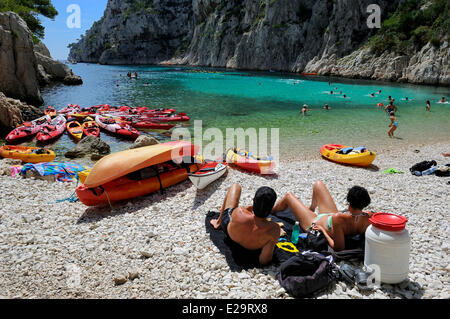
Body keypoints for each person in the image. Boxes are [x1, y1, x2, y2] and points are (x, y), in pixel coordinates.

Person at [270, 181, 373, 251]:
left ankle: (270, 211)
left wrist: (323, 231)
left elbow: (338, 247)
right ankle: (311, 208)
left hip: (314, 222)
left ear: (349, 203)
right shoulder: (368, 217)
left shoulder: (339, 219)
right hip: (330, 216)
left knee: (288, 196)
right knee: (318, 184)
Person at [210, 184, 281, 266]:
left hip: (229, 233)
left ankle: (218, 223)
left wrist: (251, 208)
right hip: (252, 248)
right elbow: (264, 260)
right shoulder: (274, 229)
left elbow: (243, 213)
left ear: (253, 199)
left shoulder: (240, 211)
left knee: (235, 187)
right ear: (271, 207)